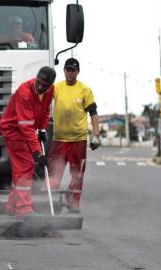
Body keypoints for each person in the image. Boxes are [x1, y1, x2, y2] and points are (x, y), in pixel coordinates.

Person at [0, 66, 56, 218]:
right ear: (36, 78)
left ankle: (12, 207)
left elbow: (45, 111)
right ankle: (23, 209)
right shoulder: (25, 92)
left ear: (50, 85)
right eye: (39, 82)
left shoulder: (50, 91)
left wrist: (43, 129)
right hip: (13, 130)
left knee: (21, 169)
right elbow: (26, 129)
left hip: (26, 129)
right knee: (25, 167)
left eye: (45, 85)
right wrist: (38, 153)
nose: (40, 87)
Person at [48, 58, 101, 213]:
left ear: (78, 72)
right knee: (54, 174)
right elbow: (43, 104)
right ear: (63, 70)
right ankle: (52, 202)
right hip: (59, 139)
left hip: (78, 140)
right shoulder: (56, 88)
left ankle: (73, 200)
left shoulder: (85, 90)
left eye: (73, 70)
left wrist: (96, 135)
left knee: (77, 175)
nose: (70, 73)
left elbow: (93, 113)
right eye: (67, 69)